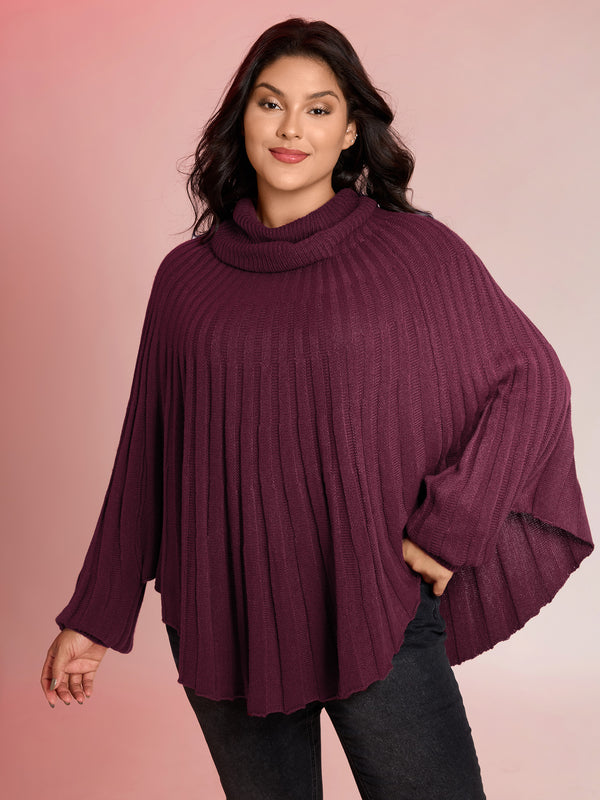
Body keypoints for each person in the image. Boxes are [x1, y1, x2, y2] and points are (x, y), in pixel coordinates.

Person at [41, 17, 593, 800]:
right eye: (271, 103)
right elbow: (147, 459)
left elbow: (534, 380)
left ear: (351, 132)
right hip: (223, 617)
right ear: (243, 117)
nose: (291, 128)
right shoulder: (185, 280)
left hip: (373, 602)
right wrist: (95, 616)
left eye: (319, 109)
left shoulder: (413, 252)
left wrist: (454, 524)